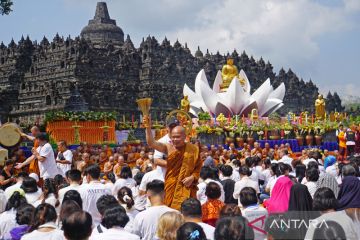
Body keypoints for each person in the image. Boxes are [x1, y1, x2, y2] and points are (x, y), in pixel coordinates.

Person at [144, 115, 202, 210]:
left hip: (187, 187)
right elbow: (151, 143)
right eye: (173, 137)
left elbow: (198, 167)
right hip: (171, 186)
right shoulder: (168, 147)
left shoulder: (193, 149)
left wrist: (192, 177)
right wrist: (148, 127)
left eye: (178, 137)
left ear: (184, 136)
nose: (174, 139)